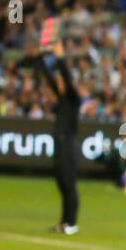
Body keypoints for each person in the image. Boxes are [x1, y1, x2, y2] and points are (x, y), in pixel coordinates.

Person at [34, 42, 82, 234]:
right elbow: (49, 77)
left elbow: (66, 79)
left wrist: (60, 58)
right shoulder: (62, 99)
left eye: (62, 82)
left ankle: (72, 223)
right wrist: (40, 58)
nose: (59, 83)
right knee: (62, 183)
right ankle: (63, 222)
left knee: (69, 183)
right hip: (60, 145)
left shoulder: (73, 99)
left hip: (68, 145)